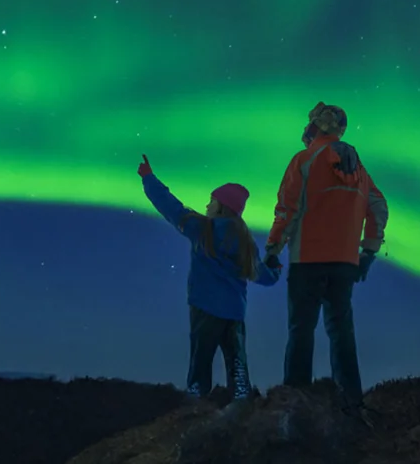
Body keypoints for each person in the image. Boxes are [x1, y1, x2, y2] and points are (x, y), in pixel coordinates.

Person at [265, 102, 389, 414]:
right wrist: (368, 252)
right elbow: (378, 207)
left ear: (318, 126)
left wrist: (273, 249)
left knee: (301, 330)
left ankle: (294, 402)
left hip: (307, 259)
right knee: (341, 332)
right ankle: (351, 403)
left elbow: (287, 210)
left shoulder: (304, 160)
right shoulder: (359, 171)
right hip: (345, 264)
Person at [138, 153, 281, 400]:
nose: (207, 206)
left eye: (211, 201)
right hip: (234, 312)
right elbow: (264, 276)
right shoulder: (246, 243)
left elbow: (170, 207)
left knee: (200, 360)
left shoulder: (202, 229)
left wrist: (149, 179)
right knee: (237, 362)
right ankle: (241, 403)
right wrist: (276, 269)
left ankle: (195, 401)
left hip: (204, 307)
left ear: (221, 206)